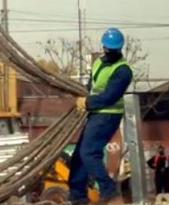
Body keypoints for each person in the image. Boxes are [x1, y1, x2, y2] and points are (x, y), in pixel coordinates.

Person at [69, 28, 134, 205]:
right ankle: (77, 196)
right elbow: (92, 84)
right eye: (107, 48)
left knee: (89, 153)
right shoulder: (98, 62)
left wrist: (87, 103)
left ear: (119, 49)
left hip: (108, 115)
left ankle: (109, 191)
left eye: (112, 49)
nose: (108, 51)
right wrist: (84, 95)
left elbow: (109, 96)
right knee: (79, 155)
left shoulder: (123, 71)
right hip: (96, 113)